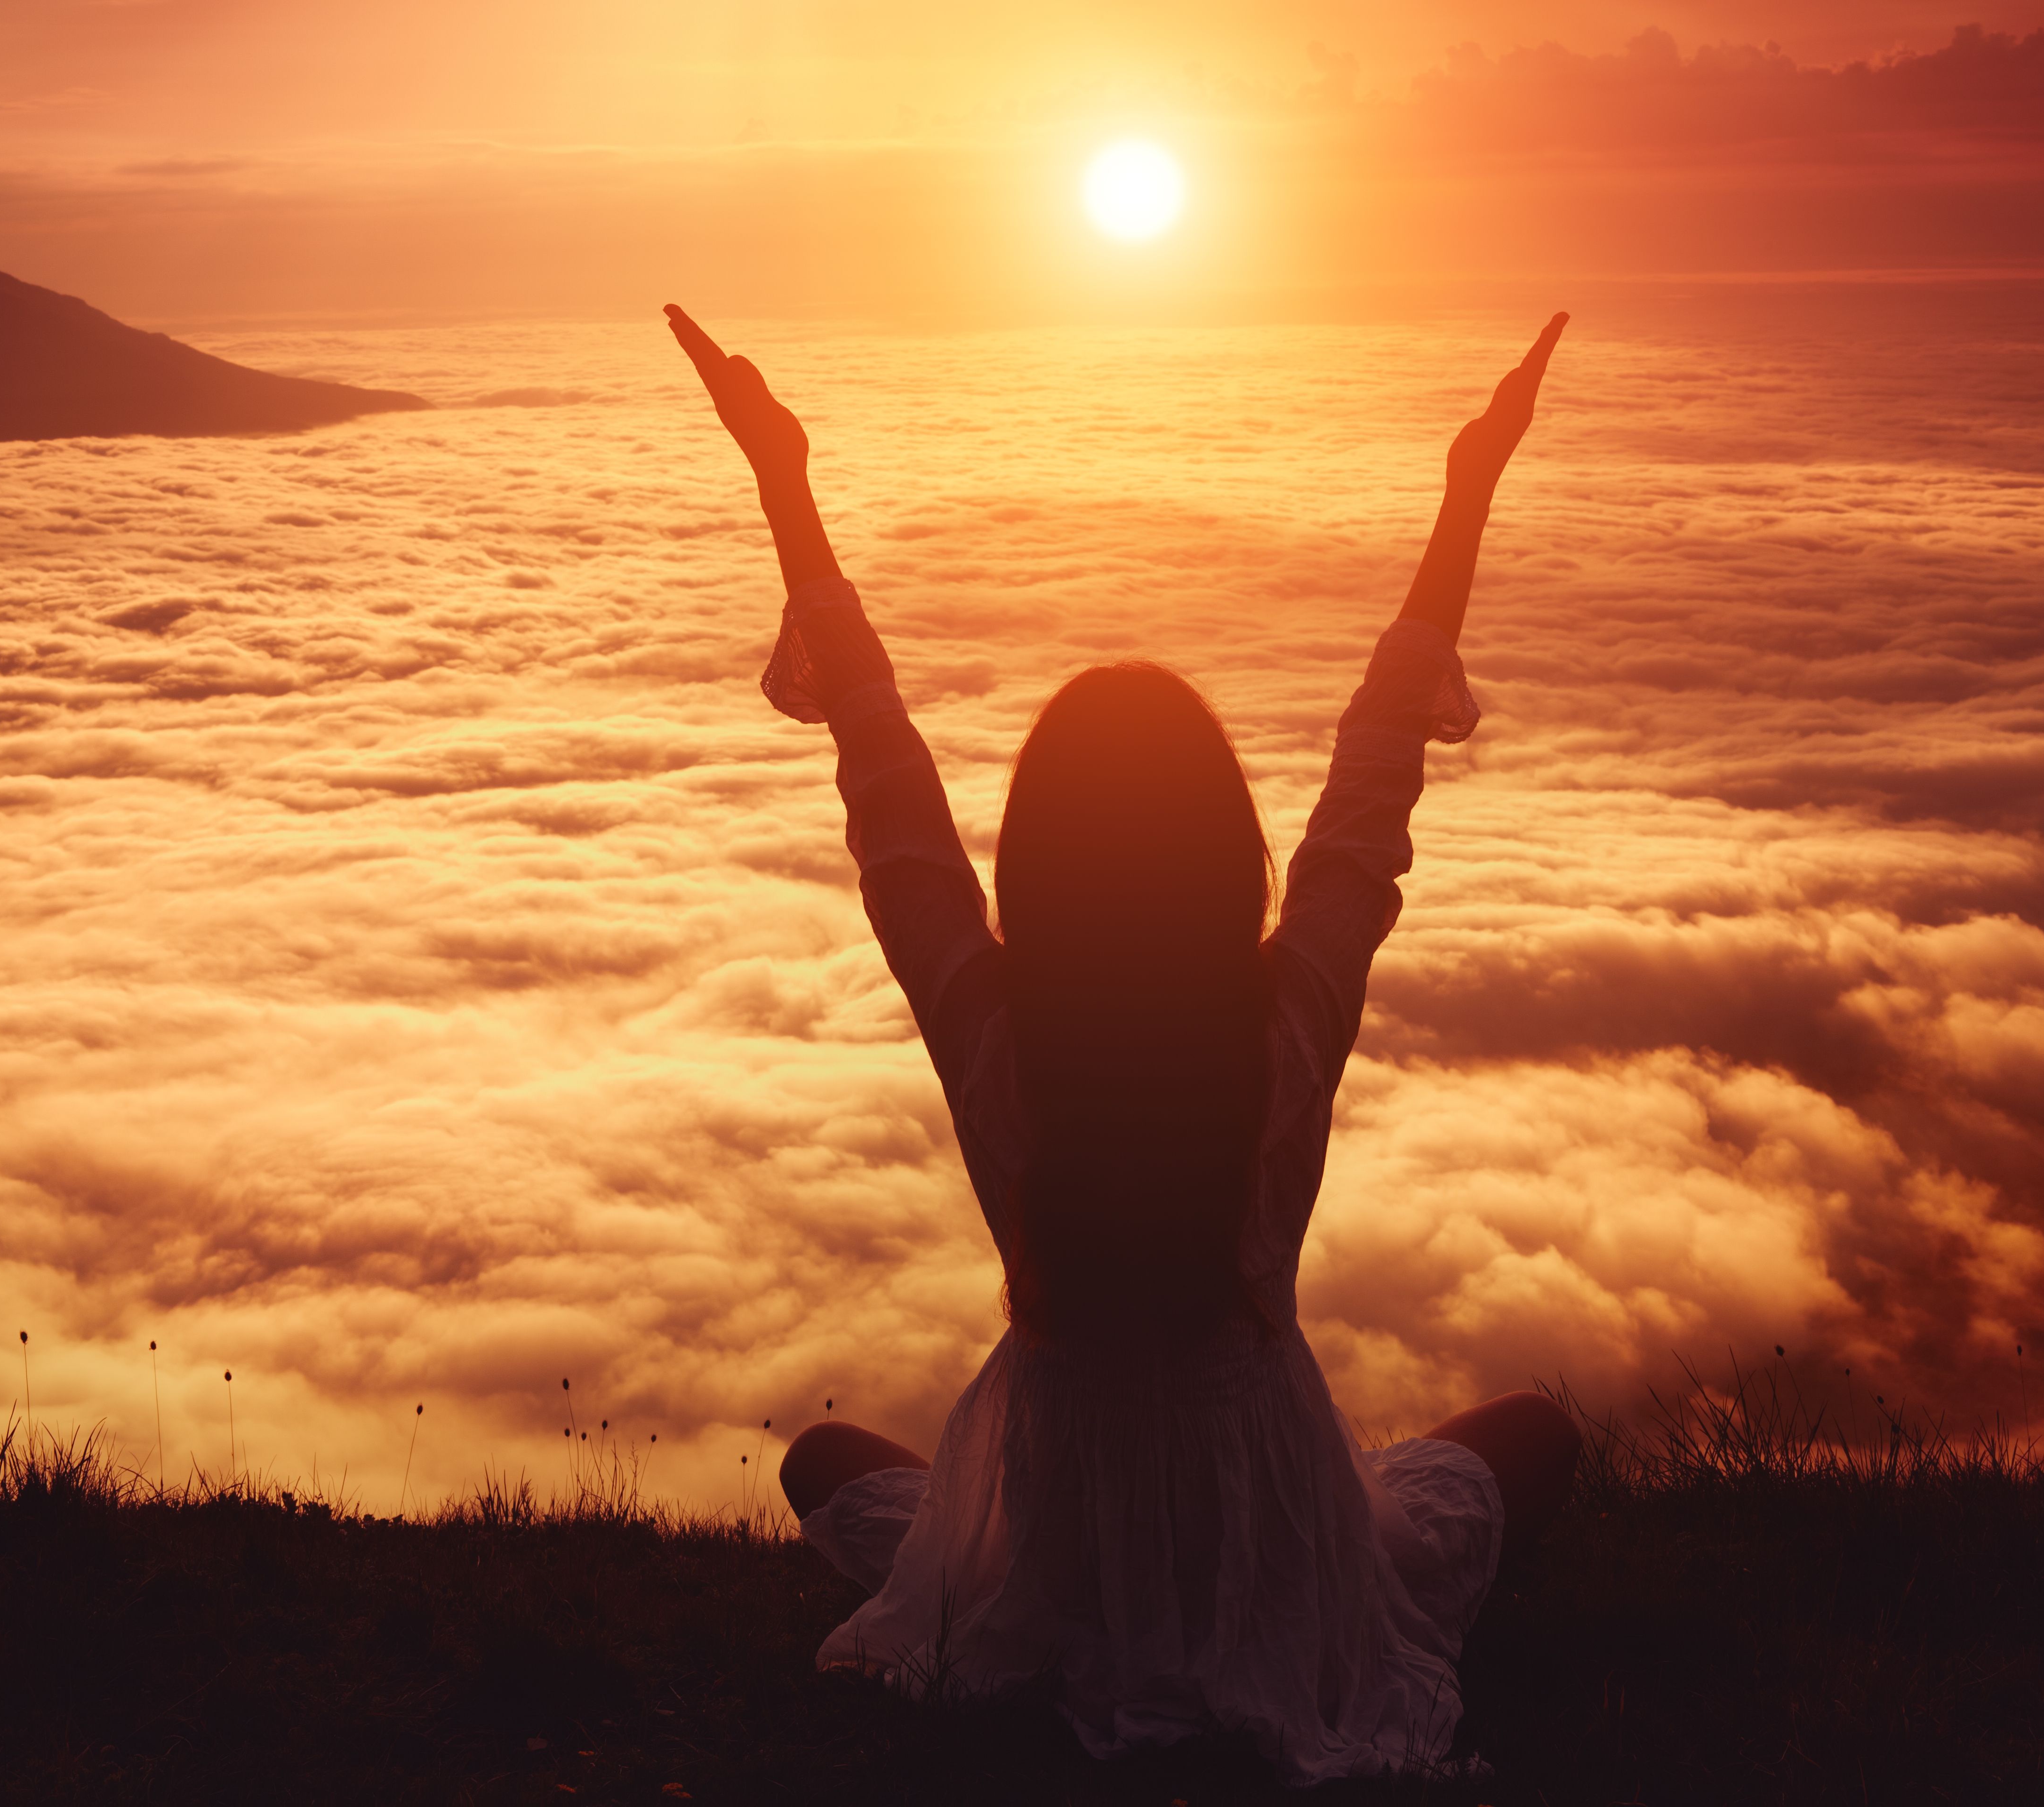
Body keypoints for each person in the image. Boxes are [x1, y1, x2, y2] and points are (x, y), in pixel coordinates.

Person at [665, 301, 1582, 1784]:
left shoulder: (997, 1038)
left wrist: (787, 483)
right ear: (1228, 867)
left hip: (1061, 1527)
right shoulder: (1281, 1033)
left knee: (826, 1465)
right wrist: (1468, 489)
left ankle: (1066, 1624)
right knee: (1535, 1437)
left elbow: (884, 777)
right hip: (1270, 1517)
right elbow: (1371, 781)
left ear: (1036, 873)